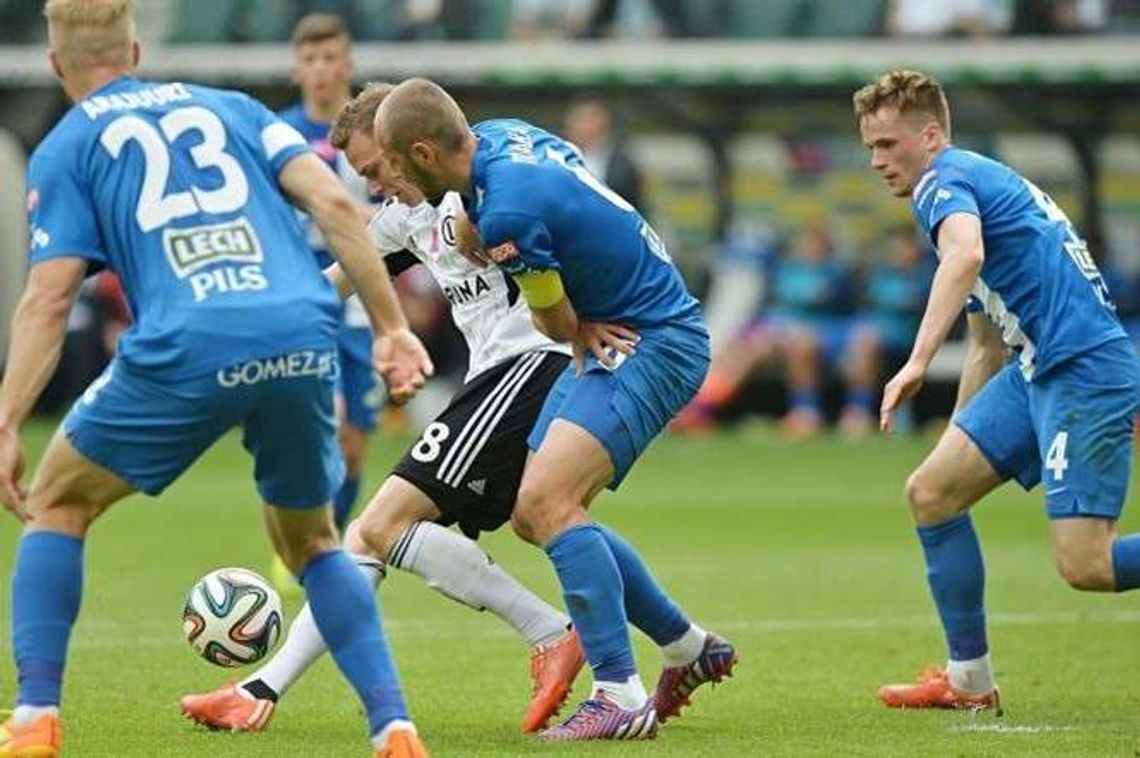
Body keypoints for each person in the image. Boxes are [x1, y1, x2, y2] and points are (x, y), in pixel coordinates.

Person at [0, 3, 434, 757]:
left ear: (55, 65)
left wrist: (6, 421)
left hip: (190, 335)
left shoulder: (68, 144)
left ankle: (35, 717)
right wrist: (393, 328)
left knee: (57, 505)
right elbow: (334, 203)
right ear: (134, 49)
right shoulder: (231, 107)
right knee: (316, 544)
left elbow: (48, 297)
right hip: (301, 331)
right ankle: (393, 726)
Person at [180, 82, 586, 737]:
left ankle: (551, 633)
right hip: (493, 381)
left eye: (376, 168)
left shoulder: (482, 179)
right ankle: (683, 644)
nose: (373, 185)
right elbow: (332, 284)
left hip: (529, 364)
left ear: (408, 147)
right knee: (410, 530)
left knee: (378, 527)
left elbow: (551, 215)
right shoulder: (403, 218)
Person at [373, 78, 737, 741]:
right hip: (629, 326)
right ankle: (688, 647)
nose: (386, 182)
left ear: (423, 152)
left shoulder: (510, 211)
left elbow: (552, 319)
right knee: (530, 512)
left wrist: (573, 324)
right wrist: (466, 224)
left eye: (392, 166)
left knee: (549, 503)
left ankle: (619, 695)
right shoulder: (507, 132)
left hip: (647, 340)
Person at [854, 69, 1140, 712]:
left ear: (930, 136)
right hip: (1038, 368)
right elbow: (985, 342)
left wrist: (917, 360)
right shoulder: (977, 184)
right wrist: (960, 440)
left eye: (888, 144)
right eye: (869, 147)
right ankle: (970, 684)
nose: (877, 161)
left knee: (1087, 567)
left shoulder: (944, 184)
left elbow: (965, 259)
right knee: (932, 493)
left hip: (1084, 372)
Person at [277, 13, 377, 542]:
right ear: (297, 70)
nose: (320, 70)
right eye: (309, 60)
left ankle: (326, 539)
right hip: (301, 300)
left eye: (329, 58)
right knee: (326, 430)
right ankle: (309, 545)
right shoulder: (278, 134)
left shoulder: (374, 132)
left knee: (355, 444)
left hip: (361, 305)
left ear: (347, 64)